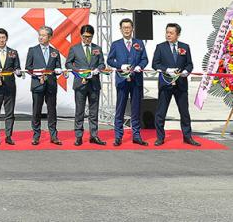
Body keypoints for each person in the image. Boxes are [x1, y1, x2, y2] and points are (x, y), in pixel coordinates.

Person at [152, 23, 200, 147]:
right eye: (167, 32)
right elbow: (155, 64)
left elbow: (189, 64)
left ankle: (187, 136)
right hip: (166, 83)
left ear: (177, 34)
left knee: (184, 112)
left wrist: (186, 71)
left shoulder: (185, 47)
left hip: (181, 84)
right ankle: (160, 137)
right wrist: (166, 69)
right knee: (161, 112)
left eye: (171, 33)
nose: (168, 35)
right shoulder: (160, 47)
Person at [107, 18, 148, 146]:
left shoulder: (139, 43)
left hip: (136, 81)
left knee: (136, 109)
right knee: (120, 109)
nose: (126, 30)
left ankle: (136, 135)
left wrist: (140, 66)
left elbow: (145, 59)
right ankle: (118, 136)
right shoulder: (116, 44)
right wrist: (120, 65)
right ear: (120, 29)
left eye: (128, 27)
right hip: (122, 80)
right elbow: (109, 60)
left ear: (132, 29)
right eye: (124, 27)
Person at [65, 24, 106, 146]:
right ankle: (78, 136)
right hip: (80, 84)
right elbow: (68, 63)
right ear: (81, 36)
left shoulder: (97, 48)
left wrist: (97, 69)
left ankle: (94, 135)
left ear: (92, 36)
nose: (87, 39)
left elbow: (102, 64)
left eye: (89, 37)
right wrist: (78, 71)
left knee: (94, 111)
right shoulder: (74, 48)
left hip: (94, 83)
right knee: (79, 111)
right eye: (84, 36)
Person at [25, 26, 62, 146]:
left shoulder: (55, 52)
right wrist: (37, 72)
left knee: (52, 110)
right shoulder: (32, 50)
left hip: (51, 84)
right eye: (39, 35)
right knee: (36, 110)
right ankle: (36, 135)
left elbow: (58, 67)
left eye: (43, 35)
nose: (40, 37)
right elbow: (28, 68)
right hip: (37, 84)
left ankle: (53, 135)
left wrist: (58, 70)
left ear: (50, 37)